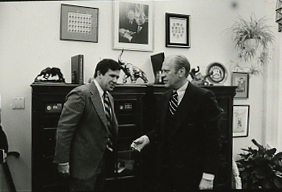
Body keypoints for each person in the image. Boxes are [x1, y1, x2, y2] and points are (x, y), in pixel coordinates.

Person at [131, 55, 222, 191]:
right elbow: (161, 130)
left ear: (181, 72)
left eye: (166, 71)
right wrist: (147, 138)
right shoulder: (165, 97)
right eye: (162, 71)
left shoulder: (203, 97)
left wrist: (208, 176)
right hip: (167, 176)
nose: (162, 76)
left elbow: (213, 141)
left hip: (193, 176)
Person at [54, 59, 121, 191]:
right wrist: (62, 161)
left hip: (102, 164)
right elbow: (64, 130)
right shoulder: (81, 94)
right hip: (83, 168)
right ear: (99, 74)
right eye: (112, 76)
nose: (115, 81)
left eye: (117, 77)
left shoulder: (109, 97)